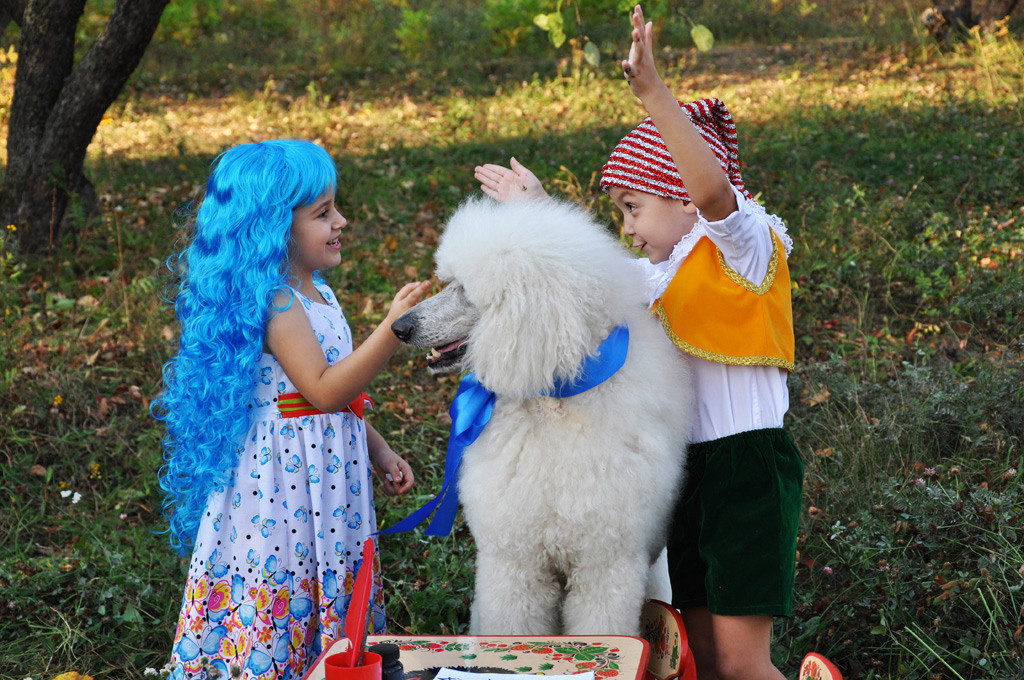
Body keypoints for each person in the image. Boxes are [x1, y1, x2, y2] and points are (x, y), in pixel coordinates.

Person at [474, 6, 802, 680]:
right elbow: (594, 272)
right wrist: (538, 210)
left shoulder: (743, 244)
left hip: (747, 471)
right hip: (687, 471)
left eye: (633, 208)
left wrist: (655, 93)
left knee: (742, 664)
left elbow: (714, 191)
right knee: (701, 657)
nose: (625, 227)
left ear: (682, 197)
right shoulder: (658, 276)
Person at [153, 140, 429, 679]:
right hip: (281, 486)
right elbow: (322, 390)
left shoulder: (321, 294)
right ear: (275, 226)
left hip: (324, 477)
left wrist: (378, 449)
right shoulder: (279, 302)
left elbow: (340, 399)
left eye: (336, 208)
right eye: (322, 213)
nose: (340, 221)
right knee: (286, 574)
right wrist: (394, 330)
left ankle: (330, 662)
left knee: (326, 571)